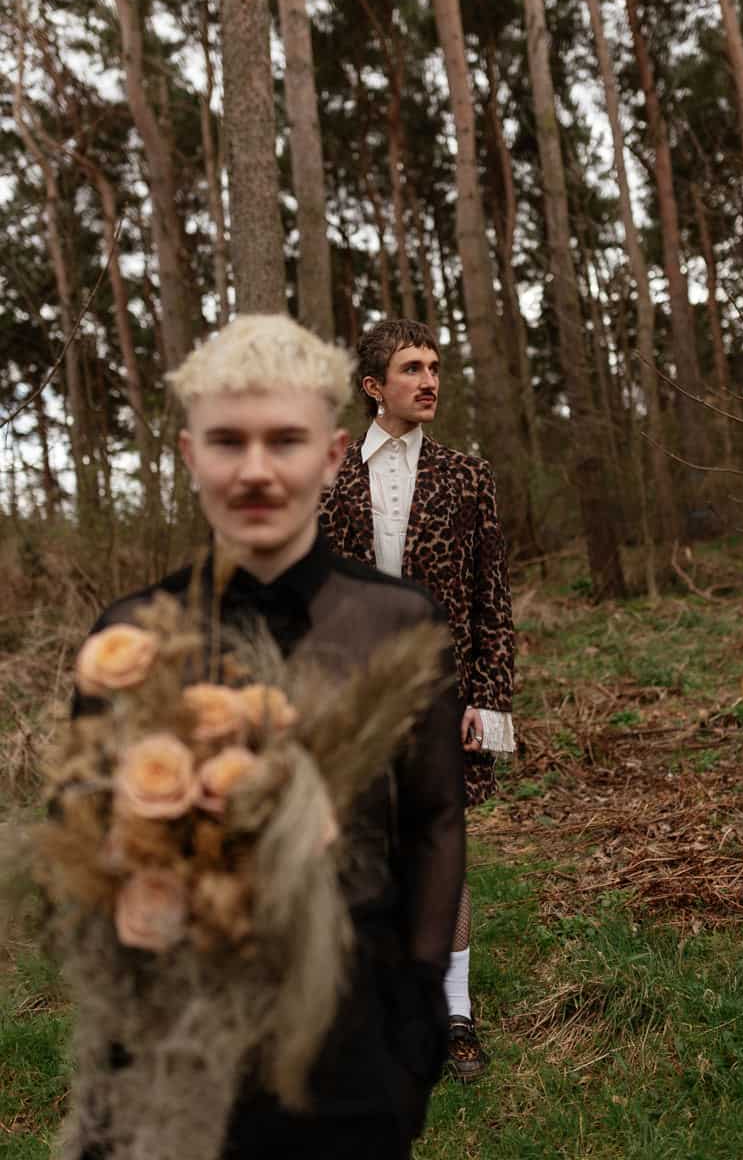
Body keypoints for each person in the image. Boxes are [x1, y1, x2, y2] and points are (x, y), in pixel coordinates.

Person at [72, 315, 466, 1160]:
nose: (256, 470)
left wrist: (419, 1005)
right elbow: (85, 835)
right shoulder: (129, 637)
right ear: (190, 456)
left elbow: (434, 816)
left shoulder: (399, 623)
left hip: (352, 1032)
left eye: (285, 440)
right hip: (172, 1031)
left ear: (329, 457)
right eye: (228, 442)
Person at [320, 318, 515, 1083]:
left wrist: (489, 701)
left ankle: (455, 1015)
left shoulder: (469, 476)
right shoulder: (328, 475)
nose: (430, 380)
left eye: (435, 366)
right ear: (375, 387)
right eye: (412, 369)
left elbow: (491, 598)